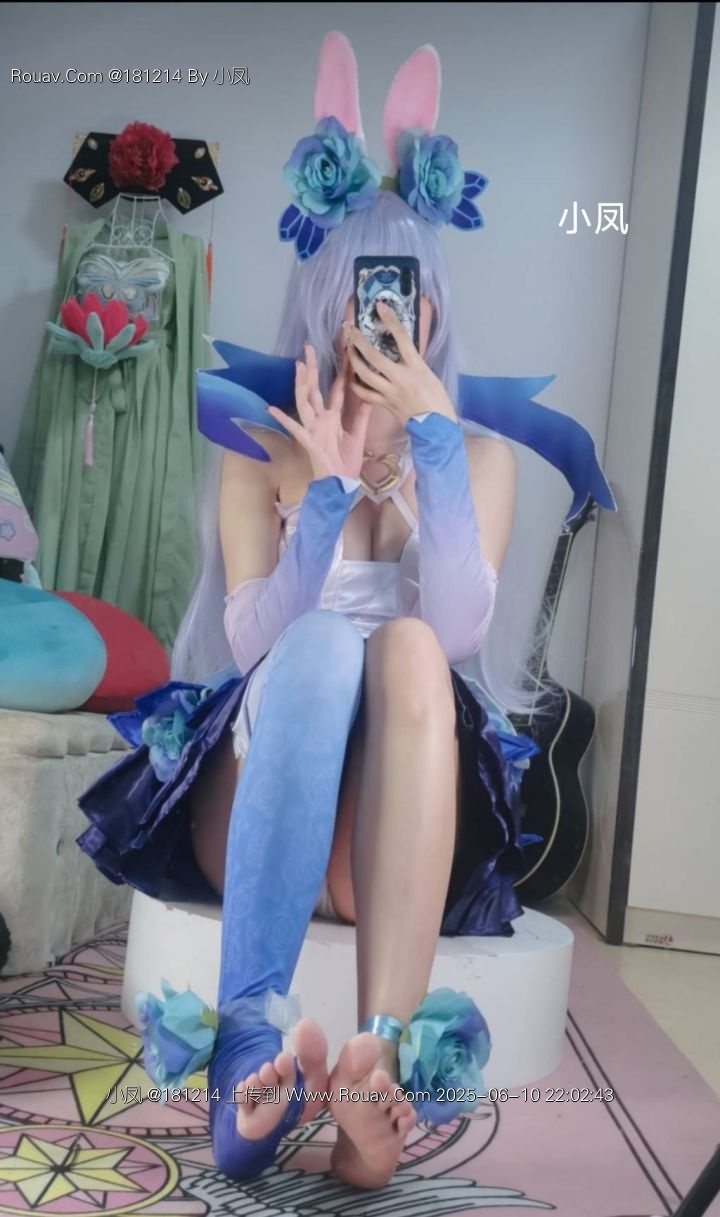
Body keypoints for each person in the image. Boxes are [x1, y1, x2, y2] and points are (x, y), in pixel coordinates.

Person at [77, 31, 613, 1192]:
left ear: (432, 304)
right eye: (362, 292)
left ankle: (374, 1072)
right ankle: (250, 1055)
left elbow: (461, 630)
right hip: (262, 800)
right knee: (319, 640)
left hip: (397, 834)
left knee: (414, 647)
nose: (379, 318)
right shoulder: (259, 450)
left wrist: (433, 451)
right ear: (323, 295)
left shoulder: (477, 457)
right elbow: (252, 642)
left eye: (403, 293)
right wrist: (321, 497)